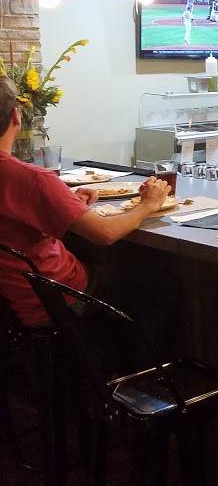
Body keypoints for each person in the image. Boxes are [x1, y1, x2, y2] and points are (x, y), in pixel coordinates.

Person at [0, 76, 176, 355]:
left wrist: (64, 204)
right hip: (58, 299)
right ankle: (139, 373)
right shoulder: (30, 179)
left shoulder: (29, 182)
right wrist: (148, 205)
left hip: (11, 301)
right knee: (162, 283)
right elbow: (104, 234)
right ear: (15, 116)